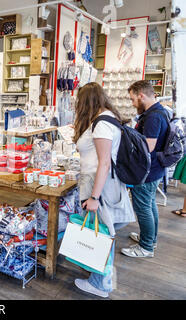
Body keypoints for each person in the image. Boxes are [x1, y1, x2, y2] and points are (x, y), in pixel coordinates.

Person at [72, 82, 135, 298]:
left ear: (86, 101)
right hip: (103, 182)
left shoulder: (101, 124)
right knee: (100, 230)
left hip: (98, 184)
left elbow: (104, 163)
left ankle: (100, 284)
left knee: (102, 232)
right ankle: (98, 273)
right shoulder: (108, 118)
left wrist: (94, 197)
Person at [121, 81, 169, 258]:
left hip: (148, 171)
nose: (133, 103)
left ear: (141, 96)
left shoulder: (153, 117)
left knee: (142, 207)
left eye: (133, 99)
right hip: (155, 169)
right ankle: (150, 239)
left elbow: (147, 147)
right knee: (149, 205)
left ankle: (146, 246)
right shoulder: (159, 112)